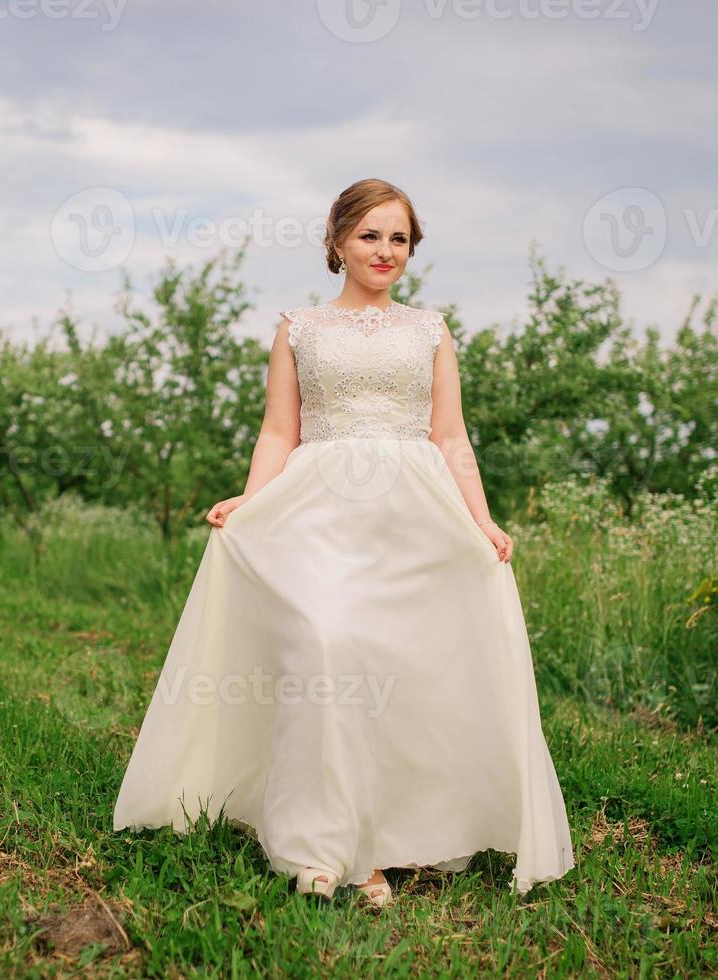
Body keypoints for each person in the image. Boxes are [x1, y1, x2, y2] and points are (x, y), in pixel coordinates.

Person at [111, 178, 575, 907]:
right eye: (370, 235)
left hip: (413, 511)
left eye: (399, 238)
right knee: (326, 642)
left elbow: (449, 435)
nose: (385, 250)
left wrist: (481, 521)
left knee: (394, 660)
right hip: (319, 507)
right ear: (336, 242)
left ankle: (382, 844)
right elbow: (278, 431)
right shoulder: (299, 328)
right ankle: (322, 845)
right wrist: (251, 499)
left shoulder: (430, 330)